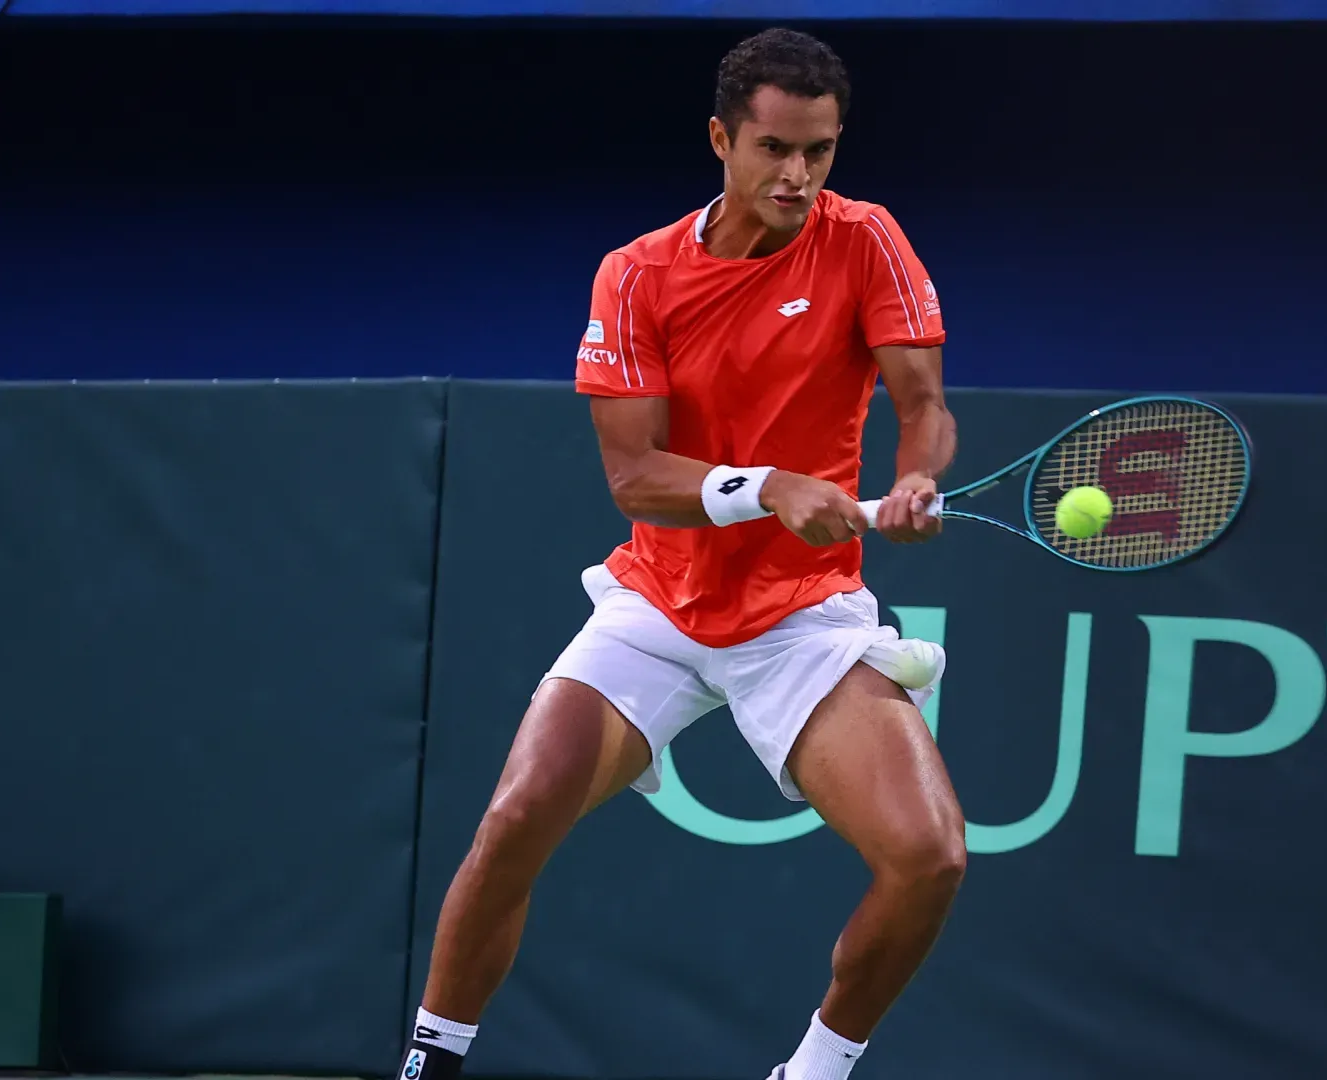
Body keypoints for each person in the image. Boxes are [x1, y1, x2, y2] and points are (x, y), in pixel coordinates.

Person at [395, 27, 965, 1080]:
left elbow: (922, 404)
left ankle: (813, 1071)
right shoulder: (637, 276)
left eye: (821, 152)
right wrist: (767, 489)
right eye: (775, 149)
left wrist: (919, 475)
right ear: (721, 138)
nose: (798, 175)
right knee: (519, 813)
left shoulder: (866, 238)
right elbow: (633, 475)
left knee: (929, 857)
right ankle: (430, 1065)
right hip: (657, 605)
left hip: (801, 621)